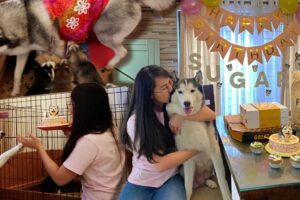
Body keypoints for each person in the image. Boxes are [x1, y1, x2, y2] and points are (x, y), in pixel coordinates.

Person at [118, 65, 216, 200]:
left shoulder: (170, 106)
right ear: (150, 94)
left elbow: (210, 114)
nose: (171, 89)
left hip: (170, 178)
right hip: (141, 181)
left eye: (170, 83)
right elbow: (160, 165)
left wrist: (181, 116)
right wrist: (198, 148)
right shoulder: (135, 122)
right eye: (164, 87)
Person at [17, 83, 125, 200]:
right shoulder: (112, 131)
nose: (69, 108)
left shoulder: (89, 142)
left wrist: (39, 147)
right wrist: (70, 134)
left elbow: (60, 179)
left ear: (84, 108)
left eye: (72, 104)